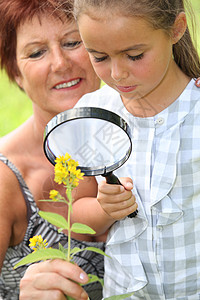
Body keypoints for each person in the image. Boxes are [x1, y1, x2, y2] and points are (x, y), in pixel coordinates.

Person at [71, 0, 200, 298]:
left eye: (134, 55)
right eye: (99, 56)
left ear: (176, 29)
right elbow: (74, 218)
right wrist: (104, 210)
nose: (117, 73)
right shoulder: (91, 115)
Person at [0, 0, 106, 299]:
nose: (60, 63)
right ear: (16, 73)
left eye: (73, 42)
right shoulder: (5, 179)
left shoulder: (151, 138)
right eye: (36, 52)